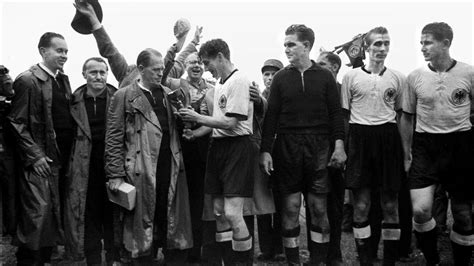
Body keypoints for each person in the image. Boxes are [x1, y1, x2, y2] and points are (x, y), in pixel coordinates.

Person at [73, 1, 193, 264]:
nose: (162, 73)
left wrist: (188, 41)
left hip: (169, 167)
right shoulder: (125, 92)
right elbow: (114, 138)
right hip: (139, 169)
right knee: (139, 226)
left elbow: (179, 61)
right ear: (140, 69)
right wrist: (115, 174)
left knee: (168, 218)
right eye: (156, 69)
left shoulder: (169, 94)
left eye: (163, 69)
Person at [260, 24, 346, 265]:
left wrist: (339, 146)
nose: (286, 49)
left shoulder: (325, 77)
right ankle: (293, 261)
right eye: (285, 44)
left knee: (319, 208)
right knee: (290, 208)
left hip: (319, 146)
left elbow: (336, 115)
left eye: (291, 44)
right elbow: (271, 118)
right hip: (287, 146)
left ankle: (318, 260)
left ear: (306, 46)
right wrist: (266, 151)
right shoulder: (280, 78)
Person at [401, 22, 474, 266]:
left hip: (460, 145)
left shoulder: (468, 73)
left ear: (446, 43)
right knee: (421, 211)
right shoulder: (415, 77)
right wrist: (406, 154)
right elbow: (407, 117)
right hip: (425, 146)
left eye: (428, 42)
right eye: (421, 42)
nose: (422, 47)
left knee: (463, 215)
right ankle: (432, 261)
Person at [179, 38, 256, 264]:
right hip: (219, 147)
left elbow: (231, 123)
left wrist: (196, 117)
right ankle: (227, 261)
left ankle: (242, 262)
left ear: (220, 57)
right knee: (220, 212)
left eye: (207, 62)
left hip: (237, 148)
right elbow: (217, 122)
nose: (206, 67)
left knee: (233, 213)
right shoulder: (220, 83)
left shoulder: (239, 80)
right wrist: (196, 133)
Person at [8, 32, 75, 265]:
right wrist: (35, 157)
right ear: (43, 51)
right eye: (59, 50)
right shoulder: (28, 80)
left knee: (51, 221)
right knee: (36, 219)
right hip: (39, 164)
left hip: (59, 161)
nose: (64, 55)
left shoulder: (61, 79)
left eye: (66, 51)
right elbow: (16, 122)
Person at [341, 26, 406, 266]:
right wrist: (343, 149)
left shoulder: (398, 77)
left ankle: (389, 261)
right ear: (366, 47)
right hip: (359, 139)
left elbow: (401, 116)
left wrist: (404, 153)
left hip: (387, 140)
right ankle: (365, 261)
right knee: (361, 205)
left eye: (386, 43)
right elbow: (344, 117)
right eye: (377, 44)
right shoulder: (351, 77)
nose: (382, 48)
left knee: (390, 205)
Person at [63, 57, 119, 265]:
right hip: (83, 169)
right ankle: (93, 260)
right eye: (93, 72)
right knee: (89, 217)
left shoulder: (117, 98)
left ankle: (114, 259)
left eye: (102, 72)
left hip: (112, 167)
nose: (98, 76)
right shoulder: (73, 101)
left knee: (114, 217)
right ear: (84, 74)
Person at [308, 51, 345, 265]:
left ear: (334, 67)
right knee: (314, 205)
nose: (317, 67)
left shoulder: (342, 90)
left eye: (322, 64)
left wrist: (341, 149)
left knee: (335, 206)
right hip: (314, 153)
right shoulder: (314, 89)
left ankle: (335, 254)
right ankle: (316, 254)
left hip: (337, 153)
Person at [256, 58, 285, 262]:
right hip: (262, 153)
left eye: (274, 73)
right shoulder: (258, 98)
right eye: (266, 74)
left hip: (284, 154)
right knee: (263, 202)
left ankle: (280, 246)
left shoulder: (287, 96)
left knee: (283, 202)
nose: (269, 77)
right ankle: (266, 247)